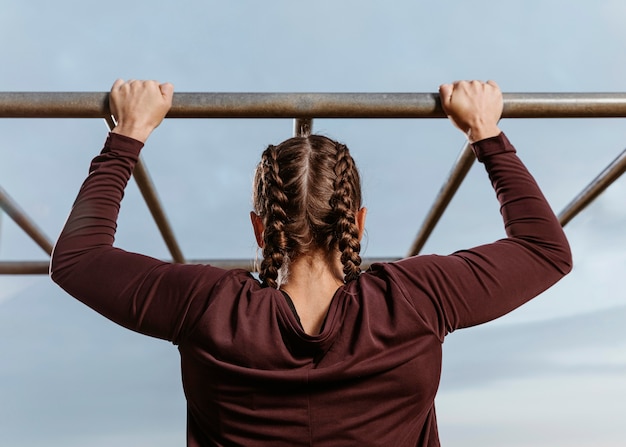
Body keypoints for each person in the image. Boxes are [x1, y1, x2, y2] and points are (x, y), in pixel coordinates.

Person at [50, 79, 572, 446]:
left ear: (259, 228)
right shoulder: (414, 299)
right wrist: (486, 133)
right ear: (359, 223)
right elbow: (544, 250)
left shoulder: (209, 307)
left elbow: (78, 258)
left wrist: (127, 135)